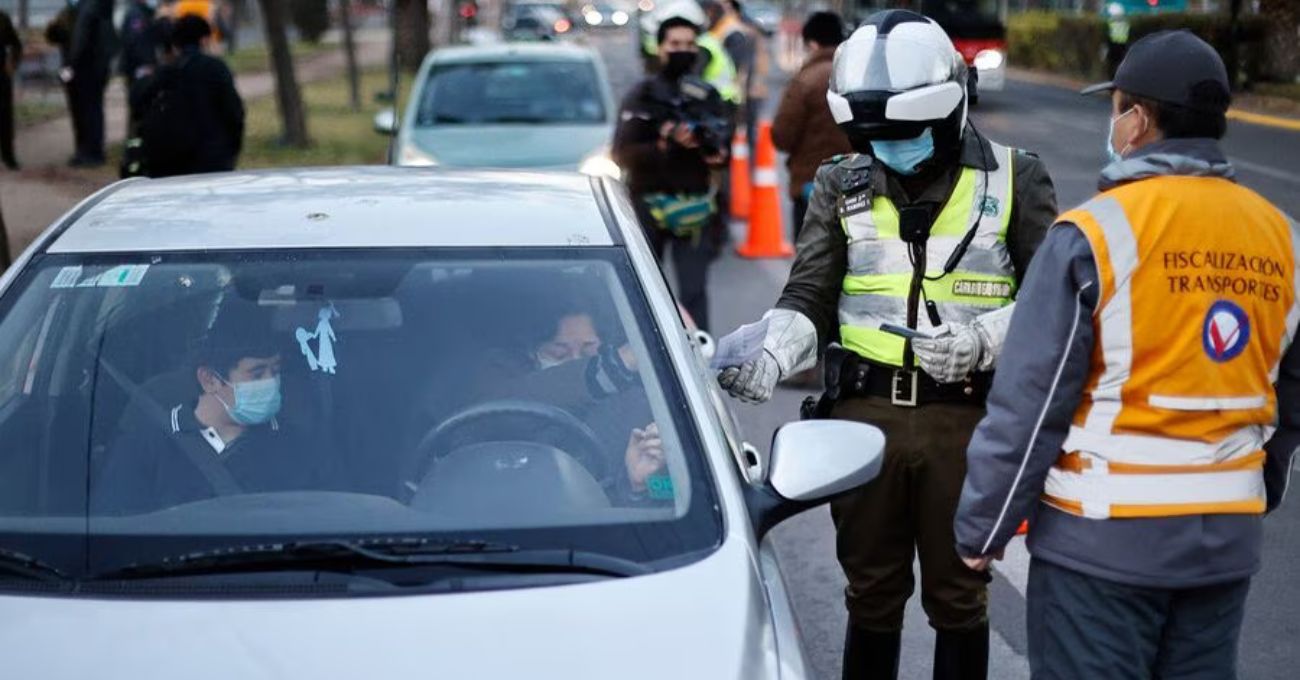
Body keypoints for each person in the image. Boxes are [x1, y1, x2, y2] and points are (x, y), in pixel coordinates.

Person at [715, 11, 1058, 679]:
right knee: (869, 597)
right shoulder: (843, 180)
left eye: (903, 134)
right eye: (875, 136)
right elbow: (810, 294)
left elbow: (1053, 302)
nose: (889, 148)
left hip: (966, 419)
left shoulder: (1018, 179)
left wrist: (983, 341)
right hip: (863, 418)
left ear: (952, 109)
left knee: (960, 596)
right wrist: (774, 352)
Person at [954, 30, 1299, 679]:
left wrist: (984, 527)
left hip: (1101, 549)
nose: (1112, 122)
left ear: (1137, 120)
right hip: (1224, 545)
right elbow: (1290, 397)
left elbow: (1031, 401)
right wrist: (1252, 491)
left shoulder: (1095, 235)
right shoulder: (1282, 237)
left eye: (1116, 108)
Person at [92, 305, 324, 515]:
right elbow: (116, 520)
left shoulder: (295, 446)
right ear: (210, 380)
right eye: (257, 373)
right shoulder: (147, 444)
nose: (270, 382)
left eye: (275, 371)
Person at [448, 302, 668, 504]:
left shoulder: (641, 404)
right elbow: (493, 416)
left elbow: (678, 491)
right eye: (558, 353)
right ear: (530, 352)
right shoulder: (500, 384)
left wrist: (640, 487)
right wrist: (612, 367)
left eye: (589, 351)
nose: (575, 361)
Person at [614, 15, 731, 332]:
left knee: (694, 294)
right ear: (661, 47)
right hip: (647, 205)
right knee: (647, 292)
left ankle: (700, 363)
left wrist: (713, 152)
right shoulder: (642, 95)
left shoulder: (707, 96)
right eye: (675, 44)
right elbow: (622, 154)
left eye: (690, 44)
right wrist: (664, 143)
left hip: (694, 208)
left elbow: (722, 155)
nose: (683, 50)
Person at [132, 14, 244, 177]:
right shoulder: (216, 69)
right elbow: (234, 112)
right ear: (204, 40)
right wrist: (232, 149)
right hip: (213, 160)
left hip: (170, 161)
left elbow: (138, 101)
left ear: (176, 44)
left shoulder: (165, 72)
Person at [771, 10, 851, 236]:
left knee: (811, 262)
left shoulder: (806, 80)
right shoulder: (858, 75)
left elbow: (782, 136)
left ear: (812, 44)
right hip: (856, 187)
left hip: (812, 186)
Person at [66, 0, 118, 167]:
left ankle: (89, 153)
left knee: (87, 111)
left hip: (86, 67)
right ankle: (95, 151)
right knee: (95, 109)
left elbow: (81, 37)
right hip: (100, 65)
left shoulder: (88, 7)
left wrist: (71, 65)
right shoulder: (103, 6)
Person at [119, 0, 160, 119]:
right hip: (140, 68)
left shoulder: (142, 12)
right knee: (141, 106)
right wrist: (147, 64)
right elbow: (137, 42)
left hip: (140, 67)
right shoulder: (136, 14)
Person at [0, 8, 20, 170]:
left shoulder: (2, 18)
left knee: (5, 118)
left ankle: (8, 156)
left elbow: (15, 44)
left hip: (1, 76)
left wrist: (12, 63)